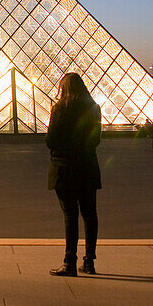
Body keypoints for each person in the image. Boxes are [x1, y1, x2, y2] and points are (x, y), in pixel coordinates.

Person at [46, 72, 101, 276]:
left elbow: (51, 140)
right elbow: (96, 140)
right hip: (88, 167)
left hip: (65, 168)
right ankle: (90, 262)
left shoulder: (59, 108)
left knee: (70, 215)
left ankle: (70, 262)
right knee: (90, 215)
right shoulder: (94, 108)